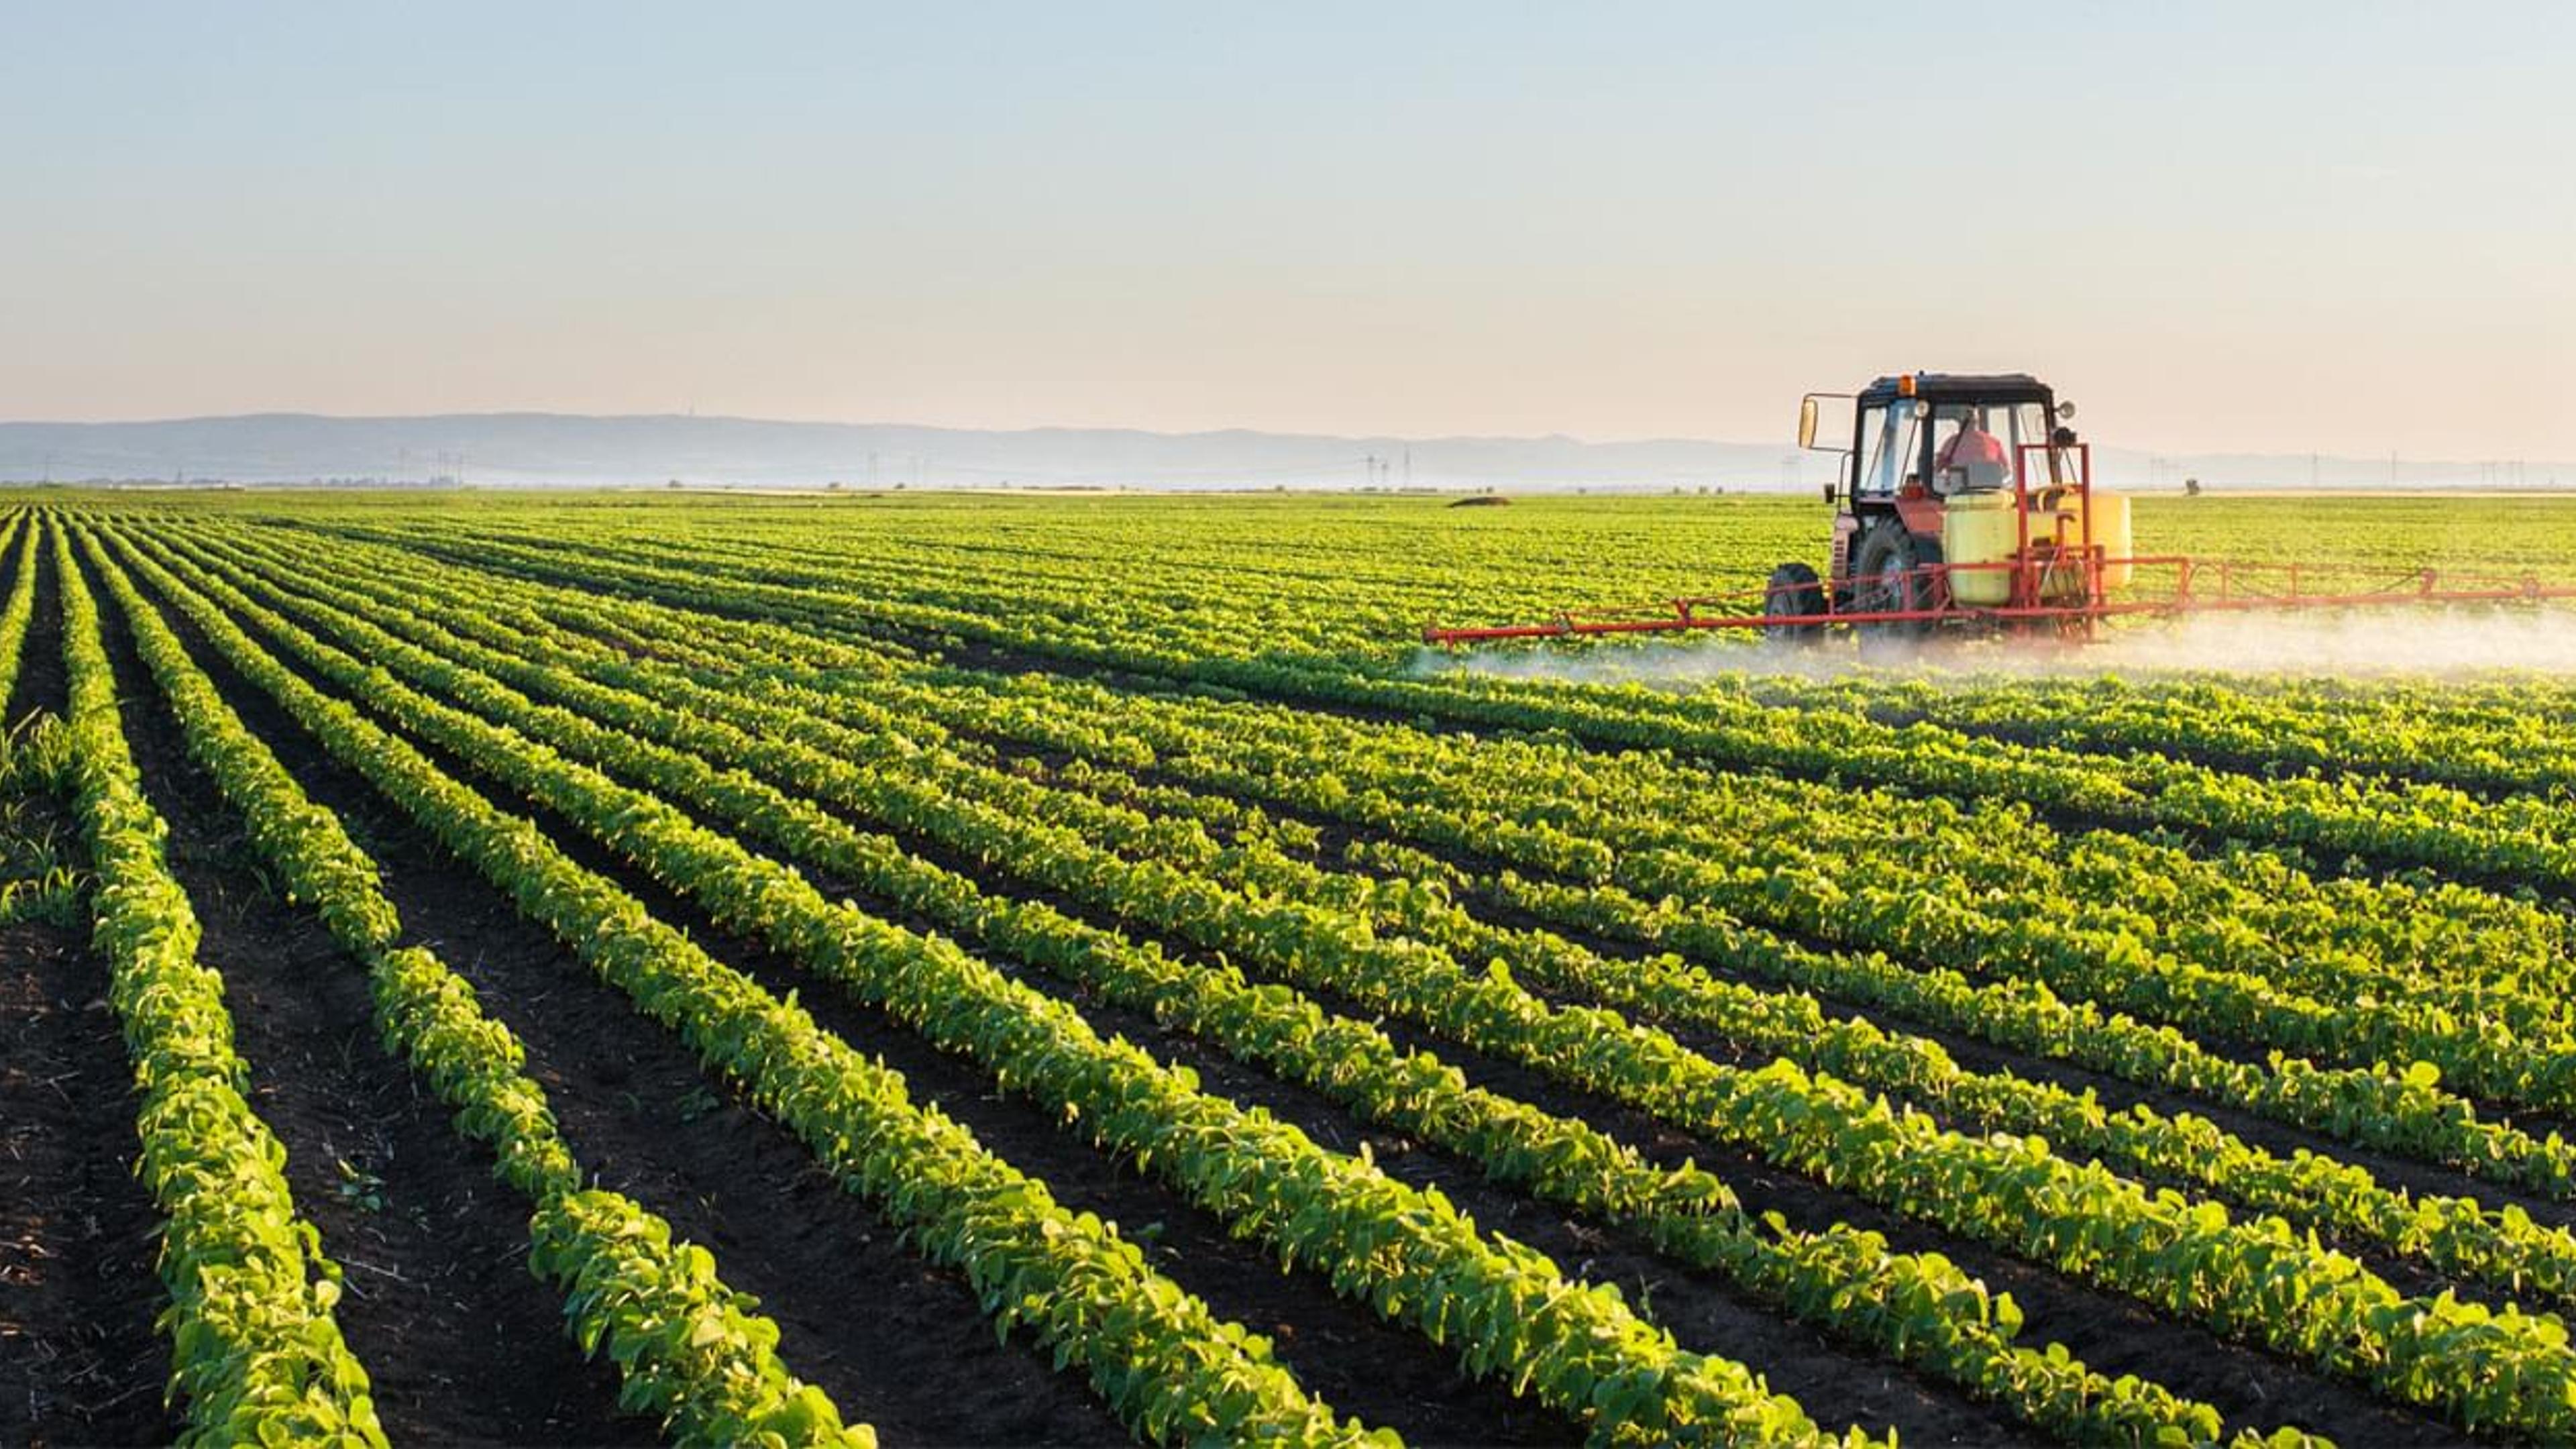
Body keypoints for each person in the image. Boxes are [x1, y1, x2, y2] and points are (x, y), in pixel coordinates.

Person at [1937, 409, 2010, 492]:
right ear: (1977, 422)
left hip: (1956, 495)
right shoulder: (1994, 442)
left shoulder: (1950, 443)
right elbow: (2006, 471)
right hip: (1990, 495)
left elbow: (1937, 470)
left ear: (1961, 422)